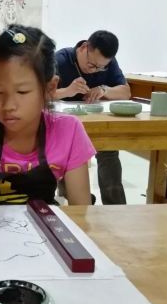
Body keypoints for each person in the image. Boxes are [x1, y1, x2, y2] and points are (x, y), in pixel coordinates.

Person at [0, 25, 95, 206]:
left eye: (22, 92)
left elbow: (80, 211)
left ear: (50, 88)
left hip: (45, 221)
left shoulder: (69, 131)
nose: (8, 106)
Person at [53, 30, 131, 205]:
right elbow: (41, 94)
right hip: (65, 127)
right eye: (92, 64)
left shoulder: (107, 62)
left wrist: (104, 89)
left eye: (100, 68)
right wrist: (67, 91)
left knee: (109, 152)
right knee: (65, 156)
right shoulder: (60, 60)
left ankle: (115, 207)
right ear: (84, 47)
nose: (94, 70)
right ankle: (73, 199)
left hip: (97, 123)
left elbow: (126, 92)